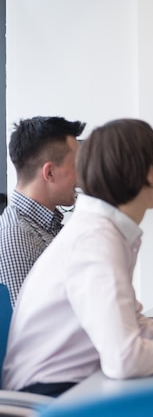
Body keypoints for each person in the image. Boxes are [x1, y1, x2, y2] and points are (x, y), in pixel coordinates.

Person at [2, 119, 153, 397]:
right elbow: (123, 359)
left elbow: (129, 321)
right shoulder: (96, 238)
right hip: (49, 396)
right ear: (148, 174)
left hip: (75, 385)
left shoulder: (104, 230)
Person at [0, 116, 85, 306]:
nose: (81, 176)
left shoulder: (46, 228)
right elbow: (26, 332)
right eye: (76, 165)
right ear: (50, 173)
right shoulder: (17, 238)